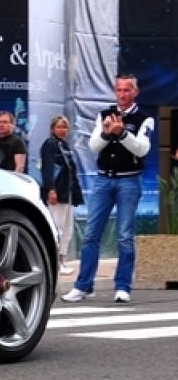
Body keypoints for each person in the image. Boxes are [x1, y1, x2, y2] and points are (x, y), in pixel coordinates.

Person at [65, 75, 153, 304]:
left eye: (126, 90)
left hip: (129, 181)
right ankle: (83, 286)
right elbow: (94, 145)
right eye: (119, 90)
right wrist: (107, 132)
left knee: (124, 236)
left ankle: (122, 286)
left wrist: (122, 133)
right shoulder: (104, 114)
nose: (122, 95)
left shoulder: (144, 118)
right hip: (103, 181)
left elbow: (142, 149)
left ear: (135, 92)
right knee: (91, 234)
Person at [40, 115, 83, 276]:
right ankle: (53, 261)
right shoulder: (50, 145)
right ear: (52, 129)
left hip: (68, 192)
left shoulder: (65, 146)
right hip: (57, 192)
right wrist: (51, 188)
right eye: (59, 127)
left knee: (67, 229)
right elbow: (48, 168)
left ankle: (61, 260)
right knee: (56, 227)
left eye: (64, 127)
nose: (62, 130)